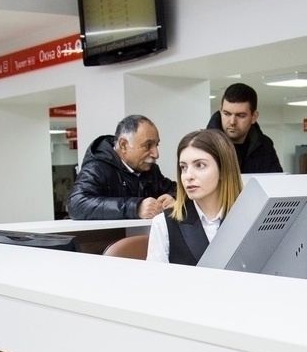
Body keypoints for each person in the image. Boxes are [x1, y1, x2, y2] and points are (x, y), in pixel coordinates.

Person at [147, 129, 243, 265]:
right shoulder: (163, 223)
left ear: (223, 170)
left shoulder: (249, 219)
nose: (188, 176)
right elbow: (155, 278)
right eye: (183, 167)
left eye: (200, 165)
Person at [67, 115, 176, 219]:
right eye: (148, 146)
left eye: (156, 145)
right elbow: (77, 204)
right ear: (123, 145)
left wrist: (174, 200)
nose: (156, 154)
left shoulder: (151, 170)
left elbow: (176, 190)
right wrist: (136, 207)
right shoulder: (97, 168)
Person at [206, 82, 283, 174]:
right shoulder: (204, 145)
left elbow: (277, 180)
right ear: (220, 111)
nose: (232, 122)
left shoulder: (265, 146)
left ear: (254, 117)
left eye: (240, 116)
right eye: (227, 114)